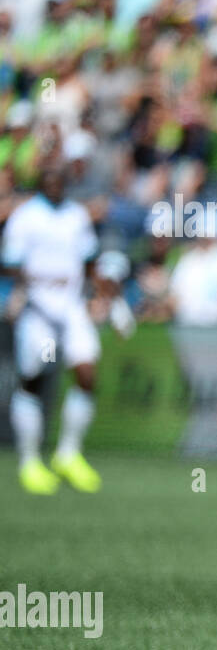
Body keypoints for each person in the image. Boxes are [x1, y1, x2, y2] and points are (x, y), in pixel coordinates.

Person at [3, 159, 106, 495]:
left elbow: (90, 259)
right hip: (39, 309)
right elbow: (10, 265)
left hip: (72, 307)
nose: (55, 185)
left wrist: (97, 294)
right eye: (48, 179)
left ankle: (68, 452)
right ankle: (30, 460)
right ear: (39, 183)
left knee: (87, 372)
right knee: (35, 378)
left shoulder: (76, 216)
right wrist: (39, 279)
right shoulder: (26, 217)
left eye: (59, 179)